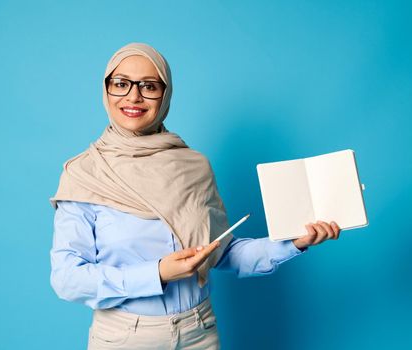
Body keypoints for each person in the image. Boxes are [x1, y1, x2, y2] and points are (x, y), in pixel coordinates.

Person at [49, 42, 341, 350]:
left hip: (199, 331)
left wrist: (294, 242)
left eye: (149, 86)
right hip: (126, 337)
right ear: (106, 90)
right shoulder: (85, 173)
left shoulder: (193, 166)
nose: (133, 96)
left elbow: (221, 253)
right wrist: (158, 273)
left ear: (165, 94)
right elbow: (68, 278)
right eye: (121, 84)